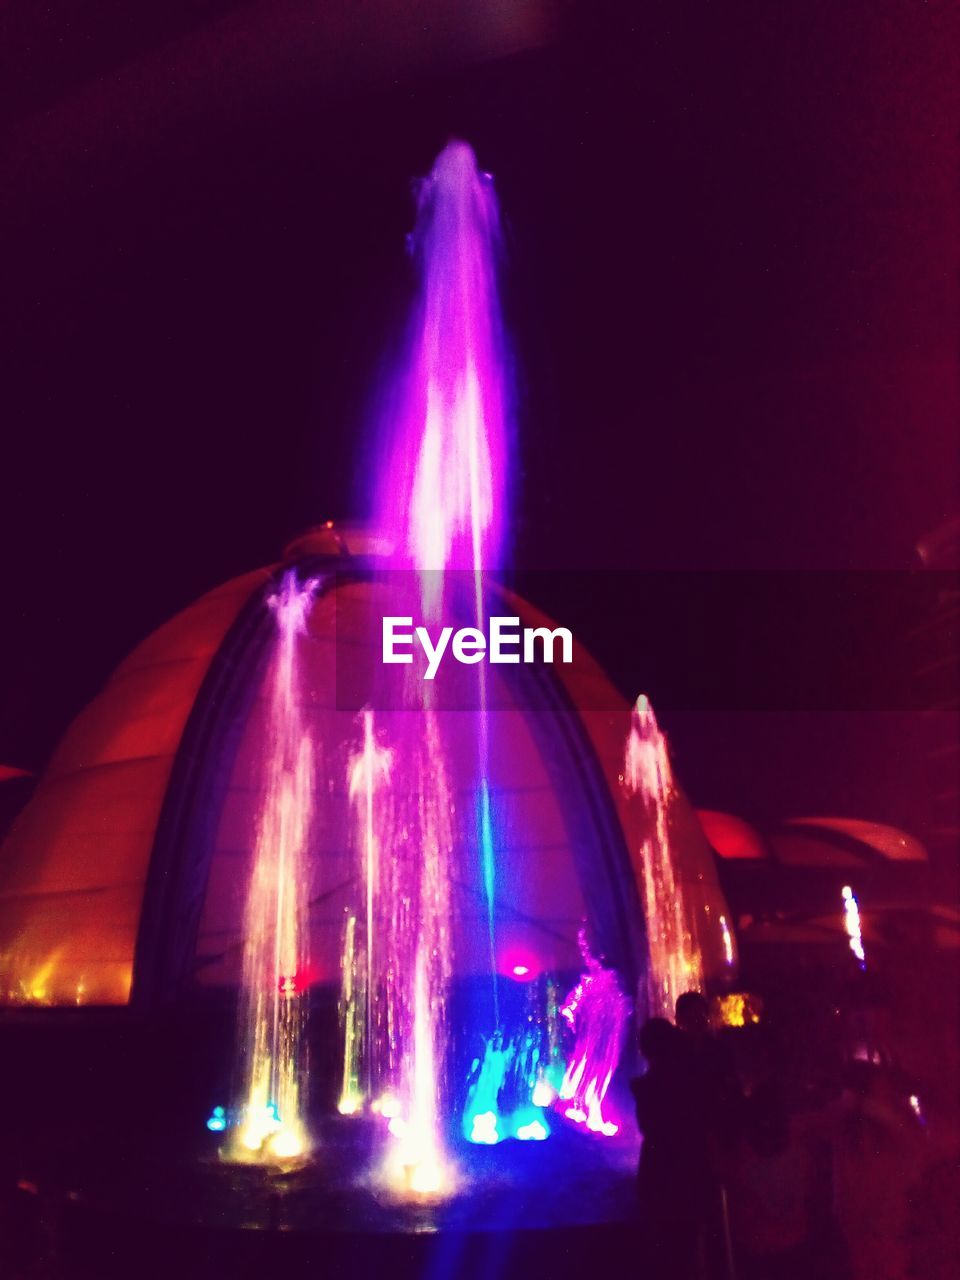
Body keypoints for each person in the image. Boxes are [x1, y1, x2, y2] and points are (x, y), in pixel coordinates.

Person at [632, 1017, 716, 1279]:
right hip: (689, 1170)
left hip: (659, 1171)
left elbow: (649, 1128)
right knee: (686, 1245)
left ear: (646, 1049)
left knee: (663, 1248)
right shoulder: (693, 1080)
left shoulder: (649, 1087)